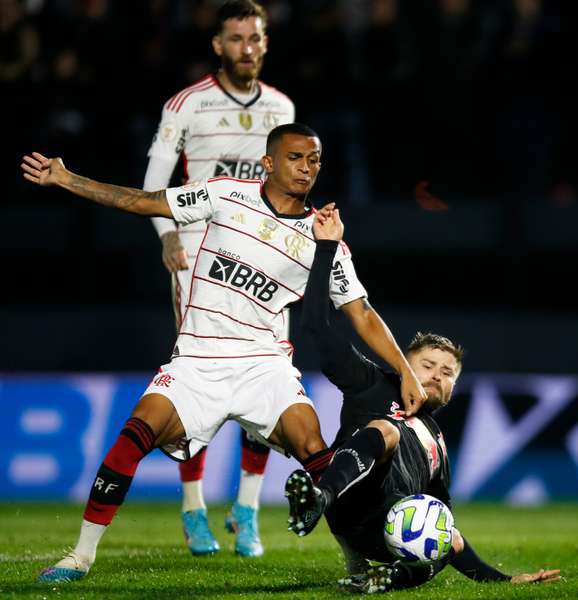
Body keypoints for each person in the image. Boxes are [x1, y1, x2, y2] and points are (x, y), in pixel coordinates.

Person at [21, 122, 427, 583]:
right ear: (269, 163)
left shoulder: (324, 239)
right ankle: (80, 557)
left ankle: (357, 560)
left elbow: (362, 313)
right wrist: (67, 178)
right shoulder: (225, 195)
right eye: (295, 158)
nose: (306, 168)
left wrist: (405, 372)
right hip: (197, 361)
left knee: (317, 453)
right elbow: (143, 202)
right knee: (133, 436)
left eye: (314, 160)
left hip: (265, 366)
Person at [280, 207, 561, 593]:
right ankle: (318, 499)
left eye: (447, 374)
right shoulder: (373, 383)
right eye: (427, 365)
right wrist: (326, 247)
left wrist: (505, 580)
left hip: (384, 531)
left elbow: (447, 533)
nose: (436, 376)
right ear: (404, 366)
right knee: (386, 430)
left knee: (444, 529)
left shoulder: (438, 446)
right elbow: (315, 327)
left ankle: (384, 578)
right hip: (346, 501)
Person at [144, 0, 295, 558]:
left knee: (270, 376)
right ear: (218, 45)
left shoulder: (281, 106)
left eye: (254, 38)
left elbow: (289, 188)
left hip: (262, 262)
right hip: (200, 259)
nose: (246, 48)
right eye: (236, 39)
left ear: (264, 42)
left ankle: (248, 511)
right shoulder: (187, 105)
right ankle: (193, 512)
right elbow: (155, 182)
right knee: (198, 381)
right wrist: (166, 237)